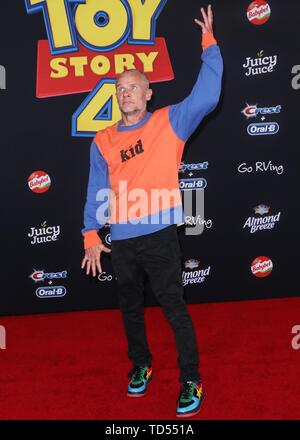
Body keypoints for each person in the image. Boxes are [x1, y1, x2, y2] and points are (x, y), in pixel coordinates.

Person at [81, 4, 223, 418]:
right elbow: (95, 189)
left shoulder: (170, 122)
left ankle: (190, 379)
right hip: (121, 242)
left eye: (133, 87)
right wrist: (91, 235)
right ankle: (140, 365)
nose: (125, 93)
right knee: (129, 311)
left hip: (160, 237)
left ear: (148, 93)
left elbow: (209, 95)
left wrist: (209, 44)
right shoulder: (102, 139)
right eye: (119, 89)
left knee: (174, 310)